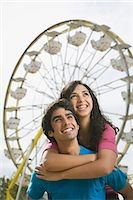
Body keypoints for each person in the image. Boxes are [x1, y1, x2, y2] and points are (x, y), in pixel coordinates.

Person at [36, 81, 133, 200]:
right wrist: (94, 158)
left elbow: (105, 167)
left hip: (106, 192)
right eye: (74, 96)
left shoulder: (105, 130)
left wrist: (61, 175)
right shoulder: (62, 133)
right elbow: (49, 162)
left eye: (85, 94)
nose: (81, 100)